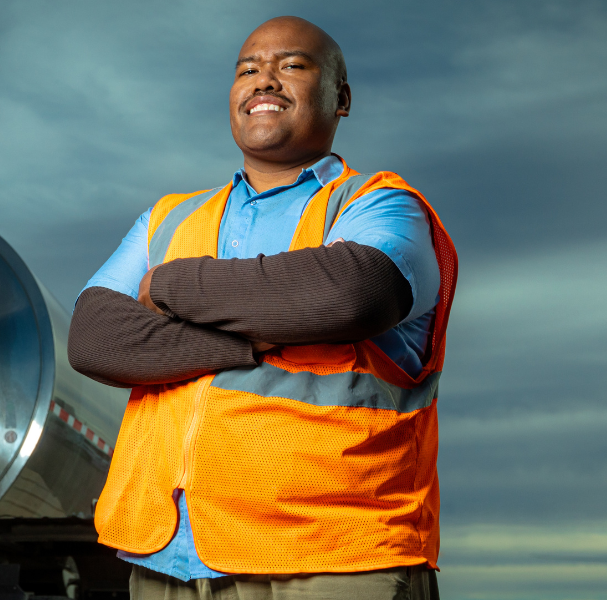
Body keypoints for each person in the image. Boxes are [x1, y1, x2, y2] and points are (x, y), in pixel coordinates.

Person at [68, 16, 459, 600]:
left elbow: (348, 294)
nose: (264, 81)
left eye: (292, 66)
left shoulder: (377, 206)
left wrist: (170, 286)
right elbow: (94, 339)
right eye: (248, 69)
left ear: (341, 98)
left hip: (331, 560)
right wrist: (248, 339)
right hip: (166, 557)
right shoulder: (170, 218)